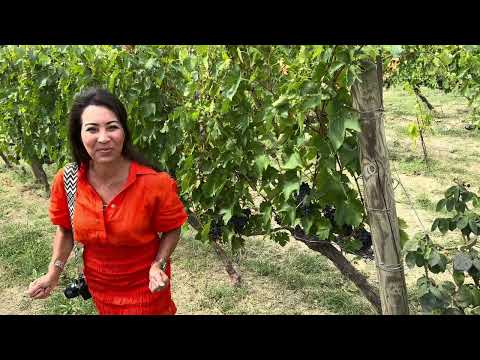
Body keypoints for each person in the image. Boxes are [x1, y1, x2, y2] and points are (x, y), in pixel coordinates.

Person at [26, 88, 188, 315]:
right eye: (92, 129)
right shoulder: (68, 180)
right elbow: (66, 230)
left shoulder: (154, 183)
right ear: (79, 135)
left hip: (147, 288)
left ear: (124, 132)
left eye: (112, 127)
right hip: (101, 287)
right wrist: (53, 274)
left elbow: (172, 228)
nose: (103, 138)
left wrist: (157, 264)